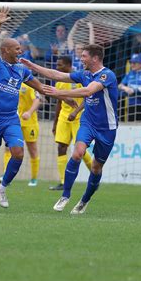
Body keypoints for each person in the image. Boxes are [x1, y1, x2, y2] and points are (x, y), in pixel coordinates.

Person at [21, 44, 118, 215]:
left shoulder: (107, 75)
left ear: (95, 58)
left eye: (84, 56)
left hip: (107, 128)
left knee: (96, 168)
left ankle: (84, 200)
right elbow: (57, 74)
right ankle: (65, 195)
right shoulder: (84, 74)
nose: (81, 59)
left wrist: (58, 93)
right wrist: (32, 66)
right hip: (88, 123)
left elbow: (88, 91)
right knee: (77, 153)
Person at [0, 7, 45, 212]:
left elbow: (39, 87)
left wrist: (58, 94)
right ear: (5, 51)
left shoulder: (21, 70)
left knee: (18, 153)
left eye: (20, 48)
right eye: (16, 49)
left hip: (11, 119)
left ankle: (2, 188)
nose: (20, 51)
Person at [49, 56, 92, 191]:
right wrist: (55, 123)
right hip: (63, 118)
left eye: (60, 65)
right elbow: (58, 102)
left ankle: (95, 173)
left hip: (79, 118)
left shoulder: (80, 79)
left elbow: (88, 98)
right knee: (61, 147)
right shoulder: (59, 82)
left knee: (81, 150)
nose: (57, 67)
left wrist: (75, 112)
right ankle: (63, 181)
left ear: (68, 65)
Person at [3, 82, 41, 187]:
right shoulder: (12, 82)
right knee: (9, 148)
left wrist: (29, 112)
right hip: (15, 122)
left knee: (32, 150)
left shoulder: (30, 84)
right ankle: (6, 177)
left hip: (30, 123)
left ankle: (34, 179)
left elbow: (37, 100)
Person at [118, 53, 141, 121]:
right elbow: (120, 85)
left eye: (134, 63)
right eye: (131, 62)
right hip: (131, 105)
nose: (132, 65)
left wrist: (138, 89)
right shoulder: (130, 73)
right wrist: (126, 88)